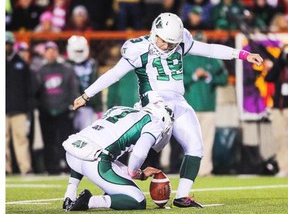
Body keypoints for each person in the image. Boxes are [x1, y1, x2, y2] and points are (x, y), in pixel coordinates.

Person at [72, 12, 263, 208]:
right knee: (136, 147)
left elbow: (210, 50)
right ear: (155, 32)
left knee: (196, 146)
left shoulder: (181, 41)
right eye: (163, 41)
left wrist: (243, 55)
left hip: (178, 102)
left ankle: (182, 196)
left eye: (172, 43)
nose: (167, 46)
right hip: (154, 104)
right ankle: (117, 180)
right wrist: (86, 95)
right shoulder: (137, 48)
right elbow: (113, 75)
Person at [62, 102, 174, 211]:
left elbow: (94, 138)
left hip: (72, 152)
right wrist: (136, 173)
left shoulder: (118, 109)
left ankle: (69, 195)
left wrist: (140, 173)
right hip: (95, 162)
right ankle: (89, 201)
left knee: (89, 147)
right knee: (138, 200)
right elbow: (139, 153)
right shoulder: (155, 123)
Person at [182, 31, 228, 176]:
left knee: (207, 141)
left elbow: (224, 78)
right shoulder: (185, 59)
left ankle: (205, 170)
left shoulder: (213, 59)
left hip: (208, 106)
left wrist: (210, 78)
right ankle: (188, 169)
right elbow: (178, 81)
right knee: (189, 141)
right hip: (190, 107)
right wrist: (194, 76)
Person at [35, 41, 79, 174]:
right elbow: (36, 91)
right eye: (48, 50)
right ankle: (51, 167)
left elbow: (73, 89)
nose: (51, 53)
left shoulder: (66, 69)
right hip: (46, 111)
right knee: (48, 141)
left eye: (53, 50)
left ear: (57, 52)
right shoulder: (40, 71)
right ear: (44, 53)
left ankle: (67, 166)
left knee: (65, 141)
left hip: (63, 110)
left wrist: (72, 106)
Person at [6, 31, 33, 175]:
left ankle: (25, 168)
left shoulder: (21, 64)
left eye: (8, 44)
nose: (5, 47)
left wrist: (28, 109)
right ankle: (5, 168)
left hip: (19, 109)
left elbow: (28, 87)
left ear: (12, 45)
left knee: (21, 139)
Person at [66, 35, 103, 131]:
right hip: (69, 106)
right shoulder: (64, 65)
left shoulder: (92, 64)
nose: (78, 54)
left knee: (85, 135)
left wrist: (99, 108)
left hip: (87, 106)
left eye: (80, 51)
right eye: (76, 51)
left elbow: (97, 86)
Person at [265, 44, 288, 177]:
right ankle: (284, 167)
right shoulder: (280, 65)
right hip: (278, 107)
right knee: (280, 138)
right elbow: (269, 78)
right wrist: (280, 58)